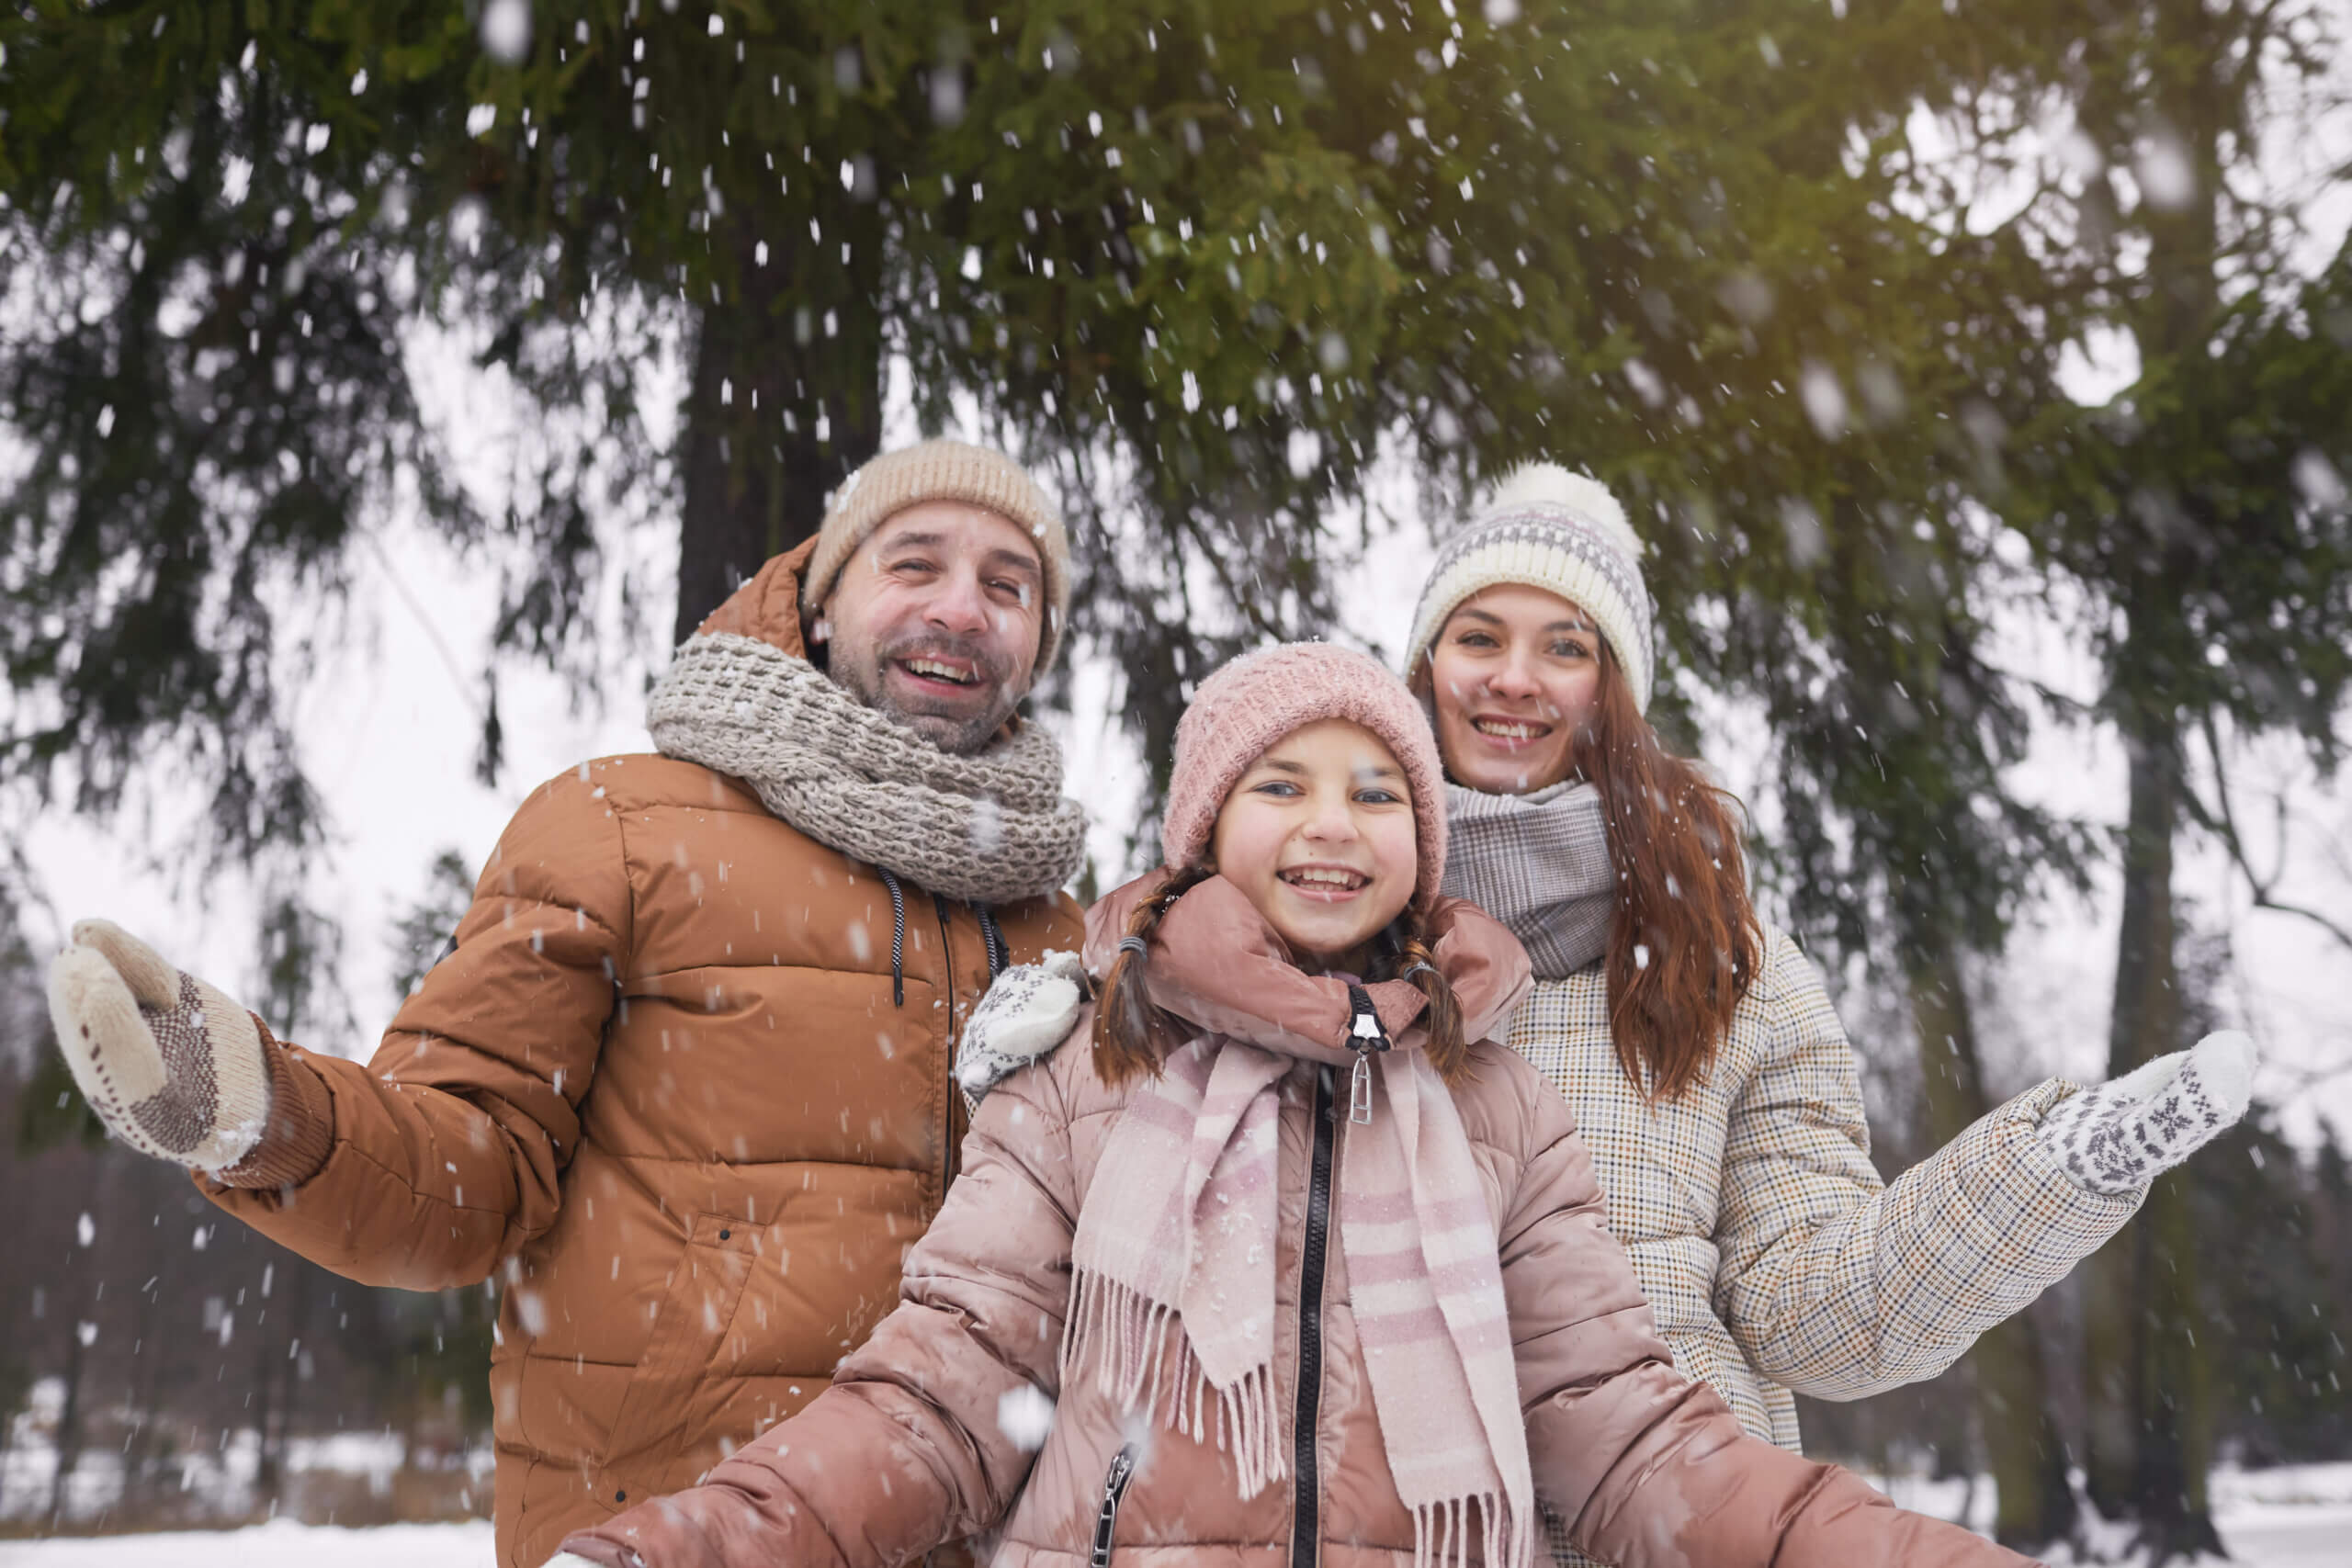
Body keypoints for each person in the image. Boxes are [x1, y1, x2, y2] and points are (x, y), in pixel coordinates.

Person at [549, 643, 2031, 1568]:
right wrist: (681, 1550)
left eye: (1378, 794)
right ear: (1208, 834)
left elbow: (1627, 1435)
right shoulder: (1090, 1072)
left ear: (1422, 845)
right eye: (1284, 786)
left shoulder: (1497, 1104)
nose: (1333, 825)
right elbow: (942, 1399)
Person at [44, 439, 1091, 1568]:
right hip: (655, 1536)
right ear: (823, 603)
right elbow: (467, 1168)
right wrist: (255, 1109)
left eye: (1006, 585)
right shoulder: (622, 831)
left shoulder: (1066, 931)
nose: (961, 611)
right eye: (915, 564)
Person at [1405, 463, 2256, 1562]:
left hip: (1689, 1531)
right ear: (1424, 665)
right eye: (1479, 637)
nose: (1515, 678)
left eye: (1565, 647)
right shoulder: (1329, 931)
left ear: (1611, 691)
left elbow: (1816, 1313)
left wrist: (2051, 1174)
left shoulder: (1726, 967)